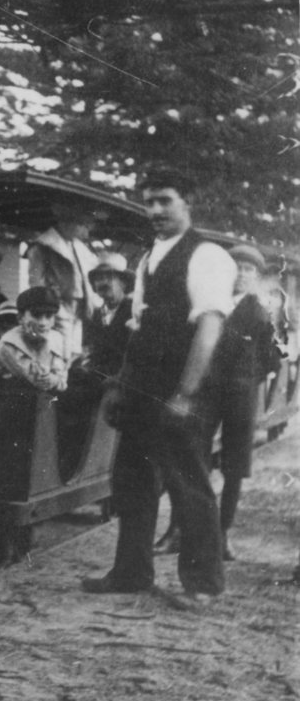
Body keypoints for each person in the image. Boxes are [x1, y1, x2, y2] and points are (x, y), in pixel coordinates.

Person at [82, 168, 236, 602]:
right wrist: (119, 386)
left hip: (183, 391)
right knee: (131, 481)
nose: (154, 210)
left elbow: (208, 328)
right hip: (142, 391)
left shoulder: (207, 256)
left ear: (187, 202)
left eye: (165, 200)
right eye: (148, 201)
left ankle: (203, 584)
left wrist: (186, 393)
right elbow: (139, 329)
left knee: (189, 483)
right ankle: (132, 573)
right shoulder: (149, 258)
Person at [157, 244, 281, 561]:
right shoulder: (212, 303)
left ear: (256, 276)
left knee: (235, 467)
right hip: (207, 393)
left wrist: (248, 381)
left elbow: (271, 359)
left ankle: (222, 534)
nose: (241, 274)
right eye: (236, 267)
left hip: (241, 397)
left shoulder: (260, 312)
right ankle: (178, 530)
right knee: (191, 460)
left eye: (249, 269)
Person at [25, 203, 99, 362]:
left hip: (79, 304)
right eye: (83, 226)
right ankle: (56, 378)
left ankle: (66, 376)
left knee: (74, 349)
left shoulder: (79, 247)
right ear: (69, 223)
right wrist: (45, 302)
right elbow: (35, 280)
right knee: (61, 345)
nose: (86, 232)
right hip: (57, 303)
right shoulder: (44, 246)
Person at [0, 286, 68, 392]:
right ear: (20, 318)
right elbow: (39, 384)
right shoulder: (9, 345)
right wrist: (55, 380)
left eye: (49, 316)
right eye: (36, 315)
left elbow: (63, 383)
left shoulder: (57, 338)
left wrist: (56, 380)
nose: (43, 323)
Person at [83, 252, 136, 380]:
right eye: (98, 278)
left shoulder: (134, 312)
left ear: (124, 283)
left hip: (123, 380)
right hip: (95, 377)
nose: (103, 282)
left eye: (109, 277)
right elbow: (88, 351)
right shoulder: (94, 315)